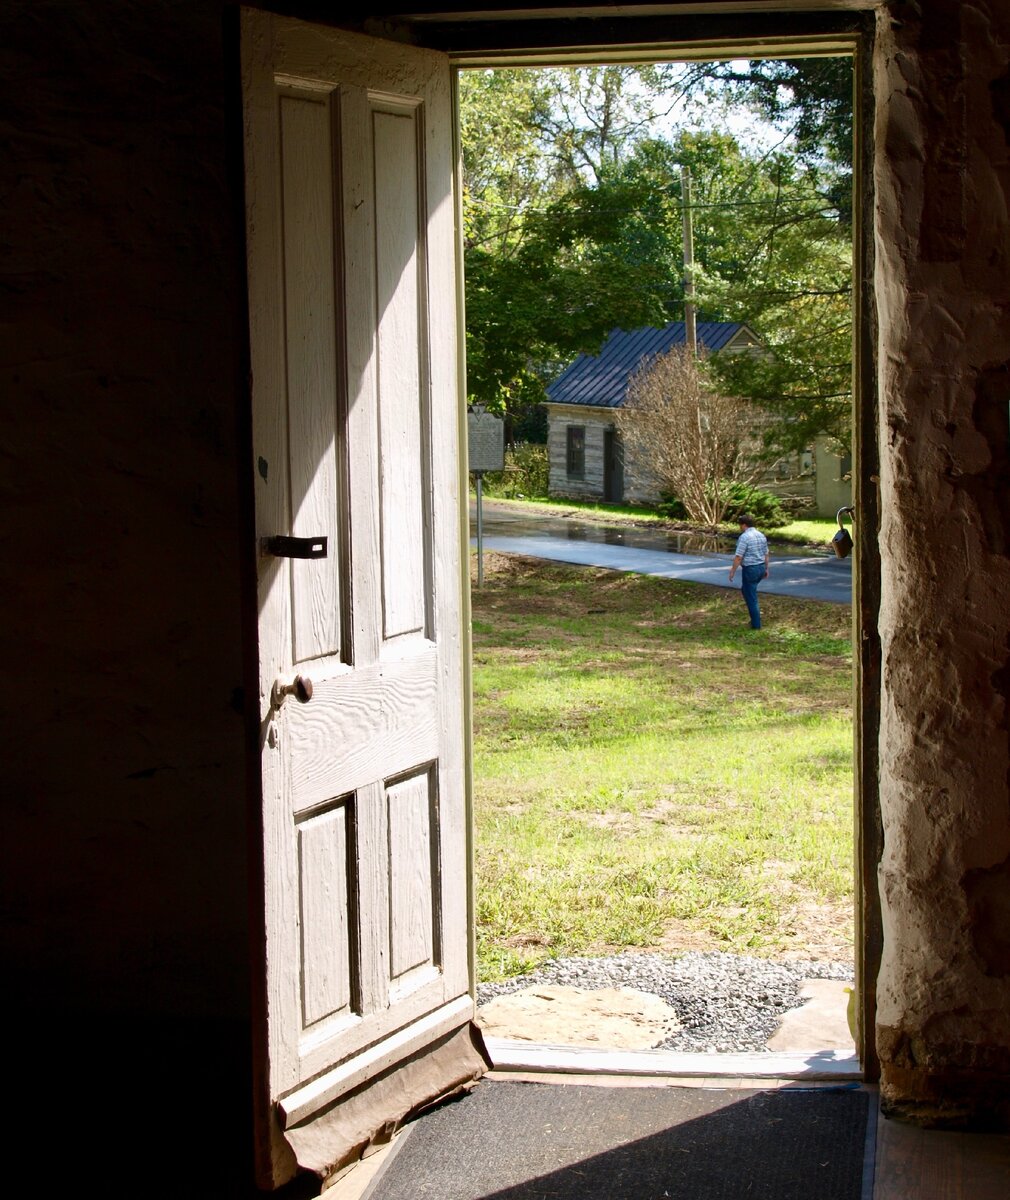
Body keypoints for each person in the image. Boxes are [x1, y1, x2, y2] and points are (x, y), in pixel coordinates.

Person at [728, 513, 769, 629]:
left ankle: (756, 625)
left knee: (751, 597)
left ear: (744, 524)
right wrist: (766, 568)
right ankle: (754, 620)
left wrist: (732, 571)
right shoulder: (761, 535)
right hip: (760, 567)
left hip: (751, 569)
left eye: (740, 525)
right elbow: (766, 553)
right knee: (747, 591)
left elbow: (738, 556)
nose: (740, 527)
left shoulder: (745, 537)